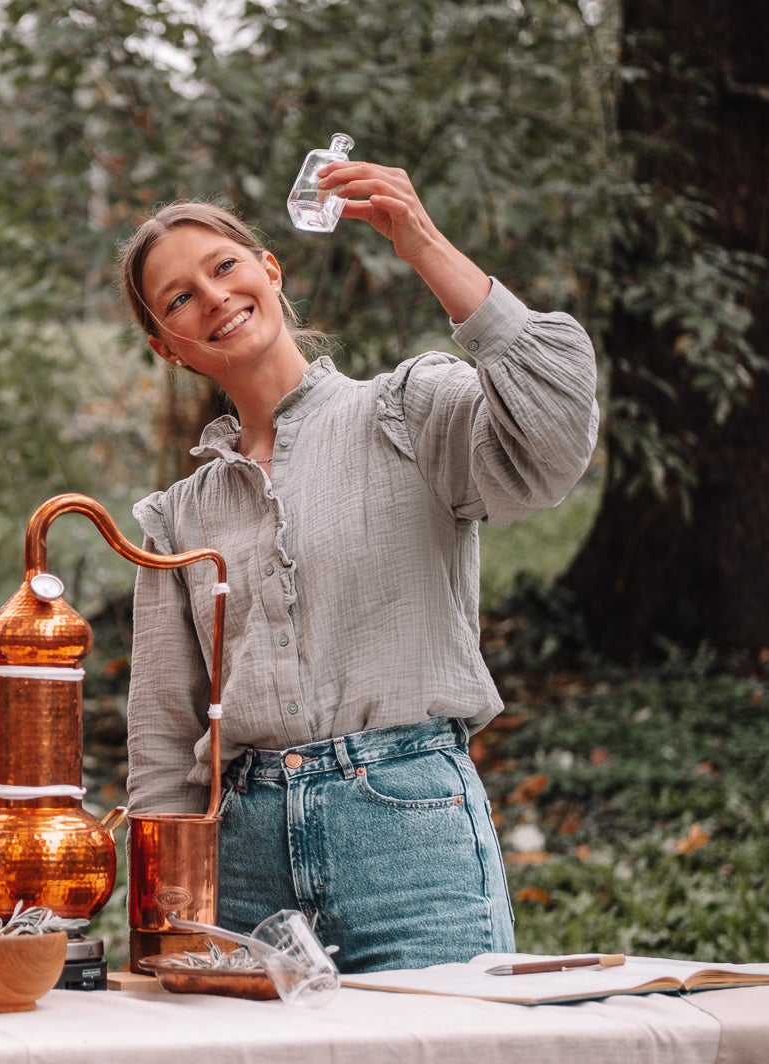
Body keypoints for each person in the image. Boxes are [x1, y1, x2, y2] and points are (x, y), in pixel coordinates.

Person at [118, 168, 599, 973]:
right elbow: (165, 742)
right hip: (241, 856)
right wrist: (165, 919)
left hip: (409, 832)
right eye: (177, 298)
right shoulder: (179, 516)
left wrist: (420, 240)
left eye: (224, 265)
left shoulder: (408, 412)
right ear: (169, 348)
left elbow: (553, 439)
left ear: (271, 270)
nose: (211, 295)